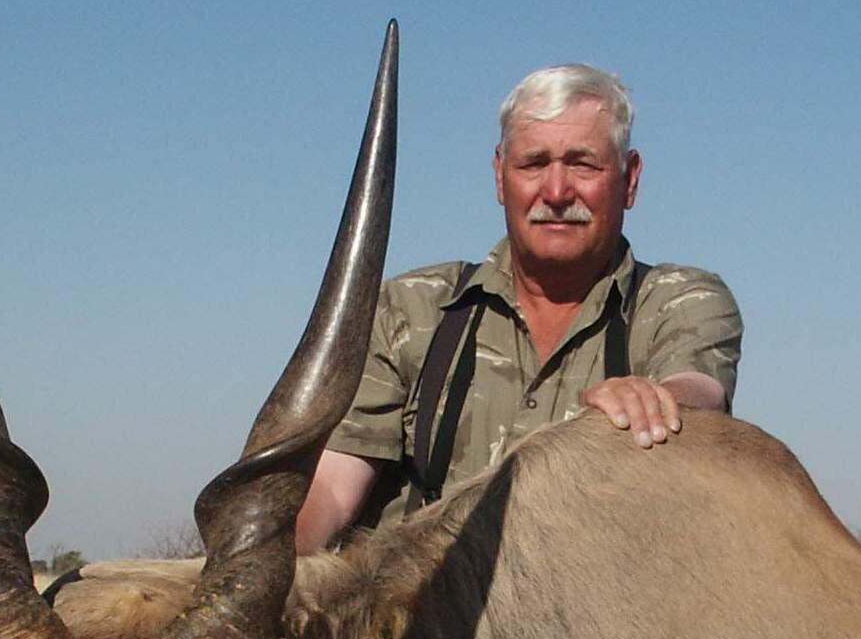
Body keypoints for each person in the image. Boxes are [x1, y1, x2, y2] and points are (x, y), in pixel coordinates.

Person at [296, 63, 743, 552]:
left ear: (629, 179)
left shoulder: (680, 298)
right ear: (499, 176)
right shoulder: (410, 309)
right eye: (533, 164)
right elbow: (335, 488)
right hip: (418, 615)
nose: (555, 192)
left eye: (583, 164)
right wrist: (259, 553)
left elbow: (699, 388)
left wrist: (656, 400)